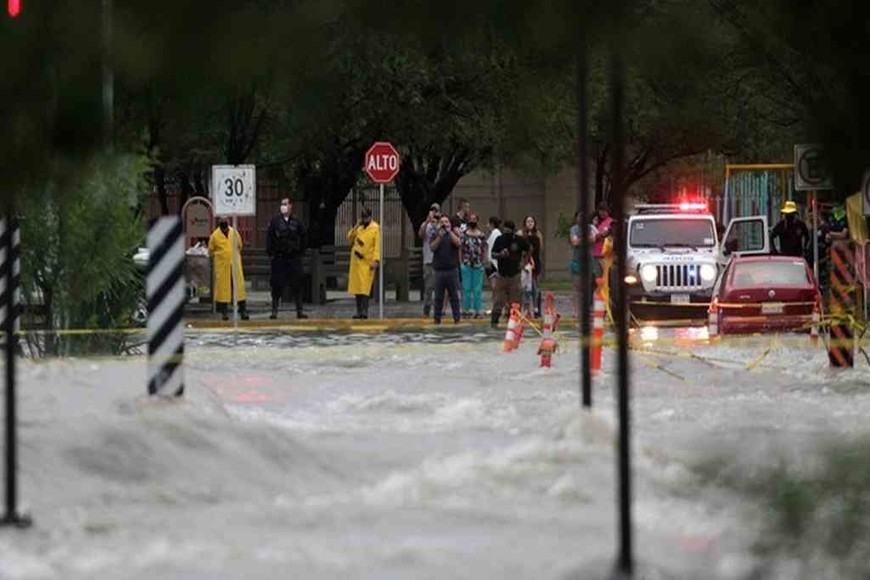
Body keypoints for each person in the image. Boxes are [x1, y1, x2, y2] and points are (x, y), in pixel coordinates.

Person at [265, 198, 308, 319]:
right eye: (282, 204)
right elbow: (269, 237)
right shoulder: (275, 221)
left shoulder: (297, 221)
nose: (283, 206)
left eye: (286, 204)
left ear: (290, 206)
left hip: (293, 258)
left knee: (297, 284)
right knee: (276, 285)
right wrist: (271, 252)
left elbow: (303, 237)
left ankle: (299, 311)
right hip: (279, 258)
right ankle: (274, 311)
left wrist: (300, 252)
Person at [490, 220, 530, 328]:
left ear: (512, 230)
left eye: (509, 230)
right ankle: (494, 324)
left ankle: (514, 325)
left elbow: (529, 249)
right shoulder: (500, 239)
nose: (507, 232)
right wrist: (500, 254)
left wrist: (524, 262)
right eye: (505, 230)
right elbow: (493, 254)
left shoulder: (519, 240)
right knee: (498, 302)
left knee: (515, 303)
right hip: (502, 275)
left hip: (515, 275)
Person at [208, 219, 249, 321]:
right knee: (223, 289)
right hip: (222, 265)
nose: (224, 228)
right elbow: (211, 250)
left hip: (234, 263)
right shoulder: (214, 235)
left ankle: (243, 310)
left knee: (238, 287)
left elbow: (239, 246)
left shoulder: (234, 232)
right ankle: (224, 313)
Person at [347, 207, 380, 319]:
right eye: (363, 218)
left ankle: (364, 311)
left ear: (370, 217)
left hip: (367, 261)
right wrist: (356, 226)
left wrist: (375, 260)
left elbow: (377, 246)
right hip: (356, 261)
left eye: (366, 217)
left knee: (365, 287)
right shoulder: (359, 228)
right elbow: (350, 238)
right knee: (357, 287)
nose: (364, 219)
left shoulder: (375, 228)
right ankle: (359, 311)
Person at [430, 214, 462, 324]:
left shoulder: (452, 234)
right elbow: (432, 247)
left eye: (446, 222)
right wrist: (439, 237)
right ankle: (437, 318)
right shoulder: (435, 234)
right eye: (442, 222)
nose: (444, 224)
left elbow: (458, 243)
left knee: (454, 296)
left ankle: (457, 318)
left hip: (452, 270)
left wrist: (450, 232)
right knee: (438, 297)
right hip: (439, 271)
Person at [569, 210, 597, 318]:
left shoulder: (591, 227)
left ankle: (587, 309)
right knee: (576, 287)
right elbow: (574, 242)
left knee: (588, 287)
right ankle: (576, 310)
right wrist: (586, 239)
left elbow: (593, 239)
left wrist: (581, 239)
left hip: (589, 261)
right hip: (577, 261)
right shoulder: (574, 229)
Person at [460, 213, 487, 318]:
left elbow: (484, 248)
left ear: (477, 221)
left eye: (474, 219)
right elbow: (460, 249)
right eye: (471, 219)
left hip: (478, 265)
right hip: (466, 264)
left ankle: (478, 310)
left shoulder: (482, 235)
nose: (472, 221)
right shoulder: (464, 235)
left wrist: (484, 261)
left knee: (477, 289)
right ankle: (466, 310)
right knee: (466, 288)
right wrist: (460, 262)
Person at [418, 202, 441, 317]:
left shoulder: (441, 224)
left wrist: (436, 223)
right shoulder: (425, 225)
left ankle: (438, 310)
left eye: (436, 210)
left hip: (439, 261)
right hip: (428, 260)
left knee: (439, 287)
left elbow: (441, 235)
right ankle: (426, 311)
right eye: (433, 210)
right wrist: (428, 221)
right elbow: (421, 235)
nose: (434, 213)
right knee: (428, 287)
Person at [519, 215, 544, 316]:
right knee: (526, 287)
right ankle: (527, 309)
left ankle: (536, 308)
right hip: (525, 263)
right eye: (528, 221)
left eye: (532, 221)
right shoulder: (521, 234)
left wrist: (534, 261)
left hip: (535, 263)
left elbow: (540, 249)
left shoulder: (538, 234)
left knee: (534, 287)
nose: (530, 223)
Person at [592, 202, 613, 278]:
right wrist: (594, 225)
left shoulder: (610, 222)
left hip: (606, 255)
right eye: (600, 211)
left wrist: (597, 235)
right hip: (596, 254)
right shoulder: (598, 223)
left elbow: (604, 234)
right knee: (598, 277)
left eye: (604, 211)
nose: (602, 213)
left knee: (606, 276)